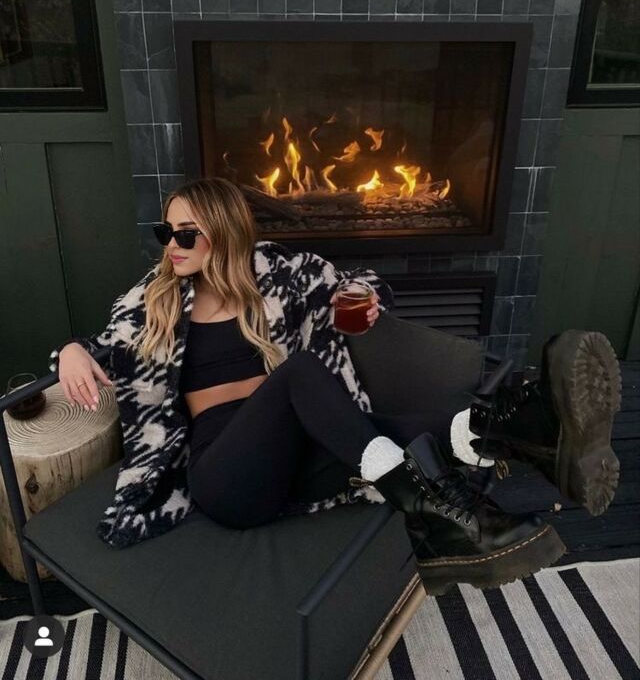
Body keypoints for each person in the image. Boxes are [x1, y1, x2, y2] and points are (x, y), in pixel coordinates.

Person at [52, 177, 621, 595]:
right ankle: (430, 505)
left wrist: (367, 298)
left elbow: (351, 283)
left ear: (223, 233)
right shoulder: (151, 301)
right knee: (302, 373)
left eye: (184, 233)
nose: (171, 244)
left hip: (291, 452)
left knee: (387, 427)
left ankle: (533, 435)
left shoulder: (274, 272)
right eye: (165, 232)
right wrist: (71, 351)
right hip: (225, 476)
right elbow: (100, 347)